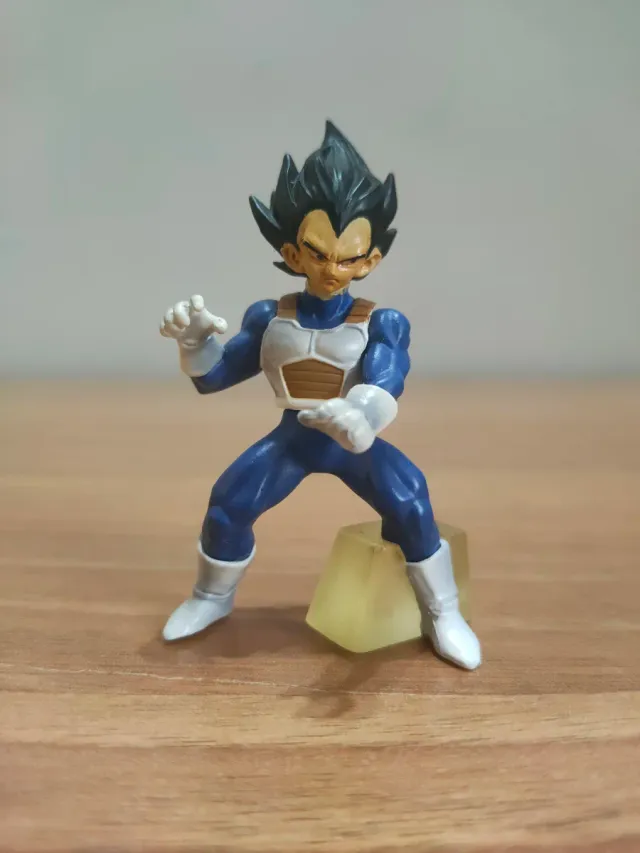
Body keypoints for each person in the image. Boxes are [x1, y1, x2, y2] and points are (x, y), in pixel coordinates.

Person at [159, 121, 481, 670]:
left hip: (353, 441)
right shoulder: (270, 316)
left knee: (410, 502)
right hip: (294, 439)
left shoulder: (382, 321)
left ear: (370, 260)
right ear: (292, 252)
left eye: (350, 258)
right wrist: (194, 345)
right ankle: (211, 597)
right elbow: (215, 377)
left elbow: (388, 377)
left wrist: (362, 415)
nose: (334, 270)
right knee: (229, 504)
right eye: (319, 253)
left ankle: (443, 612)